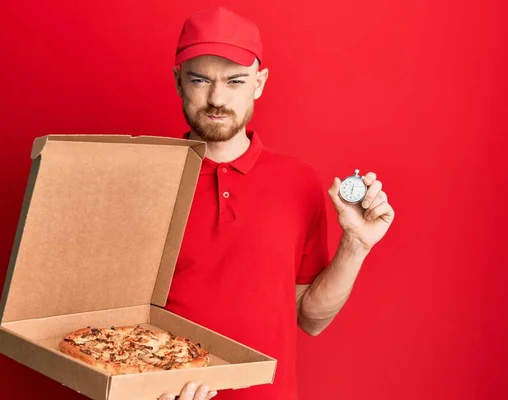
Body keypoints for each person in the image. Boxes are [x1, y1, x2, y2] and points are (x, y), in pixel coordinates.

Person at [159, 7, 395, 400]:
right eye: (200, 79)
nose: (217, 99)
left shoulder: (298, 182)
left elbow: (310, 318)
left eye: (236, 81)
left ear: (260, 83)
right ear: (178, 81)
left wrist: (356, 245)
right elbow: (107, 316)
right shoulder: (142, 176)